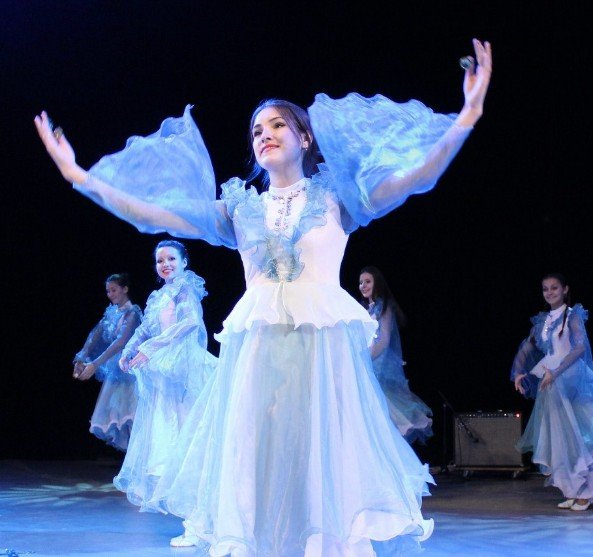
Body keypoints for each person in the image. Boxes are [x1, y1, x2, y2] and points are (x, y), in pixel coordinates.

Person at [35, 38, 491, 556]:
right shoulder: (240, 209)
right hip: (257, 360)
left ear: (304, 136)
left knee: (321, 459)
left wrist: (467, 115)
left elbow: (417, 177)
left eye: (276, 125)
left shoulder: (337, 198)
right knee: (256, 458)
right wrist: (80, 177)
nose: (264, 135)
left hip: (321, 358)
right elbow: (154, 213)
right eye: (256, 130)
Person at [113, 240, 216, 546]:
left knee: (190, 445)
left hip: (185, 374)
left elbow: (190, 323)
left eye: (171, 258)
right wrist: (130, 350)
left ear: (184, 261)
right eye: (160, 261)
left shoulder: (185, 289)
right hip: (165, 377)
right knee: (171, 448)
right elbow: (146, 328)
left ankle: (200, 524)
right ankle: (195, 522)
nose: (166, 264)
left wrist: (150, 347)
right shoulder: (159, 295)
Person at [511, 272, 593, 512]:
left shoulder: (572, 316)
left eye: (554, 288)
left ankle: (588, 493)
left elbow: (579, 347)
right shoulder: (543, 321)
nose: (550, 292)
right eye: (545, 289)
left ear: (565, 290)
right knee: (562, 440)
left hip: (573, 380)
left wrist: (556, 371)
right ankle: (572, 491)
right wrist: (519, 372)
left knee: (584, 437)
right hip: (551, 384)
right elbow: (527, 346)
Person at [358, 266, 433, 444]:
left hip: (378, 365)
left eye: (367, 281)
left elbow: (383, 340)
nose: (363, 286)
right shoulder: (365, 309)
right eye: (360, 282)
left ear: (377, 283)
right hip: (367, 363)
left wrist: (365, 360)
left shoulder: (383, 307)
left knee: (385, 410)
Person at [72, 273, 143, 451]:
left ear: (125, 289)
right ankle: (132, 457)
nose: (110, 294)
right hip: (117, 372)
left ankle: (140, 456)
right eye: (108, 291)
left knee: (133, 414)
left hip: (131, 369)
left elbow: (121, 342)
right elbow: (94, 336)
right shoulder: (112, 313)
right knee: (120, 415)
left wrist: (95, 364)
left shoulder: (133, 313)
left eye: (114, 290)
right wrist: (81, 357)